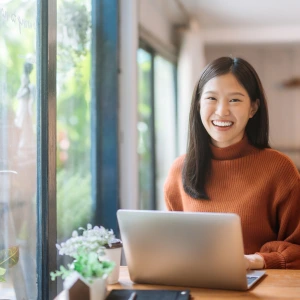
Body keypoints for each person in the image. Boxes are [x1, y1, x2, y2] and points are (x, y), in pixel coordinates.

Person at [164, 56, 300, 270]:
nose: (221, 111)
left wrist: (258, 260)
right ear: (199, 103)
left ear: (253, 108)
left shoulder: (279, 169)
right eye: (211, 99)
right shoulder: (179, 170)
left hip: (262, 289)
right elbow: (172, 244)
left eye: (235, 100)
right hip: (196, 285)